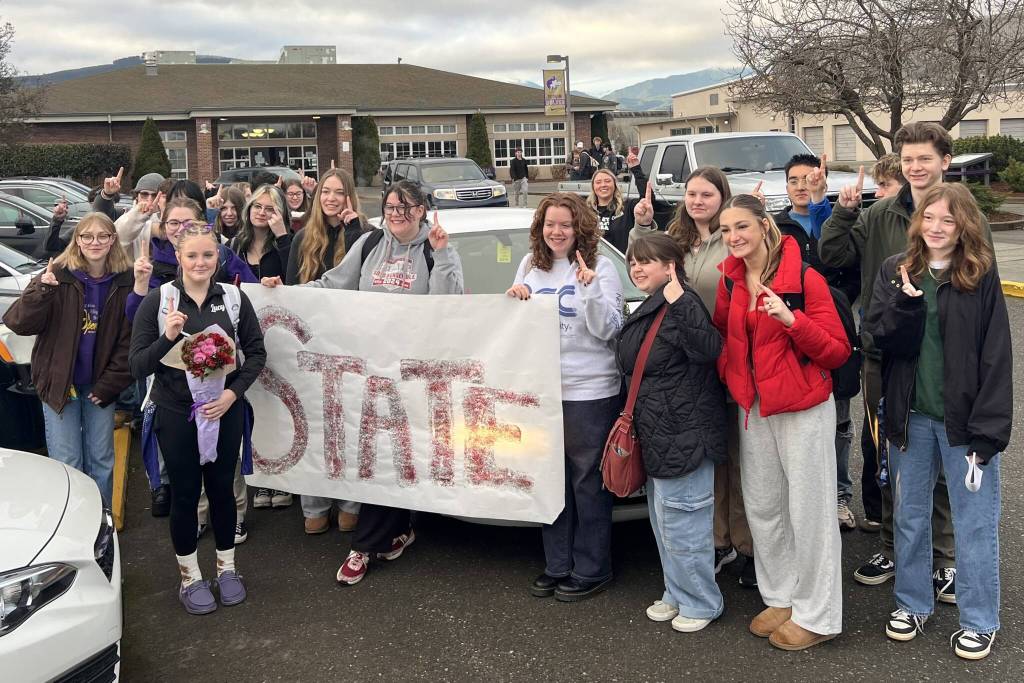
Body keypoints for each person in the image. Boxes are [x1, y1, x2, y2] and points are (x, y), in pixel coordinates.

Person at [263, 180, 463, 586]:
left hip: (414, 375)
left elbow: (449, 304)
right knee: (380, 456)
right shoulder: (370, 244)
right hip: (372, 374)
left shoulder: (436, 248)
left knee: (395, 457)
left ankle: (365, 545)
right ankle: (391, 534)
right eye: (391, 206)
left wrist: (442, 257)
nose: (396, 214)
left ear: (423, 211)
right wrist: (286, 295)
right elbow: (332, 286)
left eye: (406, 208)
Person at [819, 122, 972, 597]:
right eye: (908, 159)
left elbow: (979, 284)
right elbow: (832, 253)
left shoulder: (963, 215)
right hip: (884, 352)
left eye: (924, 158)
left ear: (944, 162)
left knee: (944, 455)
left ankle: (942, 556)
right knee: (888, 450)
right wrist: (843, 214)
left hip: (943, 354)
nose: (915, 167)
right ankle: (892, 542)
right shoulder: (881, 212)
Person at [865, 183, 1010, 660]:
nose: (936, 228)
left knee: (974, 524)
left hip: (965, 424)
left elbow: (996, 355)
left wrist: (988, 433)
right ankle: (911, 604)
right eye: (929, 218)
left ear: (963, 225)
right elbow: (884, 342)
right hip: (912, 419)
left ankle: (979, 620)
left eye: (947, 220)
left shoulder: (980, 274)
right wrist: (906, 304)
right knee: (909, 517)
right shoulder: (896, 271)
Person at [714, 194, 850, 650]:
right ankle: (782, 595)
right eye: (726, 229)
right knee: (765, 508)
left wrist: (792, 320)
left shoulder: (804, 279)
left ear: (764, 226)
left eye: (742, 227)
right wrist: (733, 378)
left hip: (803, 407)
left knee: (809, 511)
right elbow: (724, 339)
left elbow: (836, 350)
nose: (733, 237)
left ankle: (819, 613)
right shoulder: (730, 282)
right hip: (754, 409)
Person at [130, 222, 267, 615]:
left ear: (218, 256)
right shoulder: (158, 301)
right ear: (178, 257)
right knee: (186, 495)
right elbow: (137, 365)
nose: (200, 262)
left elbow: (255, 354)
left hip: (224, 411)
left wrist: (231, 394)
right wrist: (168, 338)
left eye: (208, 254)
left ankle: (227, 569)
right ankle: (190, 577)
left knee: (223, 490)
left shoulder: (235, 299)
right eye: (192, 255)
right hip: (177, 414)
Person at [639, 167, 757, 587]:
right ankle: (717, 540)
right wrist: (641, 225)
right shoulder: (680, 242)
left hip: (728, 358)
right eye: (691, 193)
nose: (697, 201)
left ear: (722, 197)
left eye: (707, 193)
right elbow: (647, 267)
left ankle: (747, 546)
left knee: (740, 461)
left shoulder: (732, 241)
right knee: (713, 459)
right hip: (688, 367)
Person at [506, 192, 623, 602]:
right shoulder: (529, 266)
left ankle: (592, 568)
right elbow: (517, 328)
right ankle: (557, 565)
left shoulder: (603, 267)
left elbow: (609, 329)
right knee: (551, 481)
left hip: (588, 391)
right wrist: (515, 301)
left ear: (580, 229)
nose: (557, 232)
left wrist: (588, 288)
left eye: (566, 225)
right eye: (550, 224)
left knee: (587, 483)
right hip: (542, 391)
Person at [617, 233, 726, 632]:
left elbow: (708, 349)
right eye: (633, 262)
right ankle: (676, 592)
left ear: (671, 265)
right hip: (662, 431)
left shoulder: (683, 302)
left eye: (647, 261)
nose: (638, 268)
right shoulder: (654, 302)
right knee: (665, 522)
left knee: (686, 523)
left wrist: (681, 302)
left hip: (685, 433)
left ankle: (701, 601)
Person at [3, 213, 135, 505]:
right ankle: (74, 520)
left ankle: (101, 521)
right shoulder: (58, 275)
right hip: (60, 382)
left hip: (100, 384)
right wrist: (42, 291)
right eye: (87, 236)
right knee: (67, 459)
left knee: (101, 458)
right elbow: (18, 323)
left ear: (113, 240)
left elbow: (128, 344)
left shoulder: (126, 281)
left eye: (103, 236)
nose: (95, 242)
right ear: (77, 241)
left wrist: (109, 385)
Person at [278, 168, 369, 532]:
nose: (331, 198)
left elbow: (366, 282)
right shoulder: (303, 240)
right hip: (311, 346)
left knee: (349, 426)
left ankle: (351, 501)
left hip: (351, 345)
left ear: (350, 196)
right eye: (326, 192)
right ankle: (314, 504)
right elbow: (290, 290)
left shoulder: (366, 235)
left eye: (339, 192)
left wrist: (355, 231)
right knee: (314, 426)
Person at [775, 153, 860, 532]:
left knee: (840, 419)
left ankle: (840, 495)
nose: (801, 186)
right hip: (791, 332)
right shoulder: (777, 228)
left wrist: (827, 205)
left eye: (809, 179)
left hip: (834, 330)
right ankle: (801, 497)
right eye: (794, 180)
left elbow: (843, 263)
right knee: (802, 420)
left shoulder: (837, 221)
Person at [586, 150, 654, 253]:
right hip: (596, 265)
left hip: (623, 264)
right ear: (593, 187)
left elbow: (647, 202)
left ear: (614, 185)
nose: (603, 185)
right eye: (598, 182)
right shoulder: (587, 212)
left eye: (608, 181)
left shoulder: (627, 207)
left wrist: (636, 169)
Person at [231, 185, 292, 281]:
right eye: (257, 206)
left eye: (269, 209)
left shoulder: (290, 243)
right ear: (249, 208)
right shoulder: (234, 245)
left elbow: (295, 279)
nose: (262, 213)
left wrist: (282, 236)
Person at [92, 168, 165, 222]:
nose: (149, 199)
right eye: (144, 194)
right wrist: (107, 194)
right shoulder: (125, 216)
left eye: (155, 195)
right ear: (136, 197)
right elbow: (100, 216)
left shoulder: (171, 221)